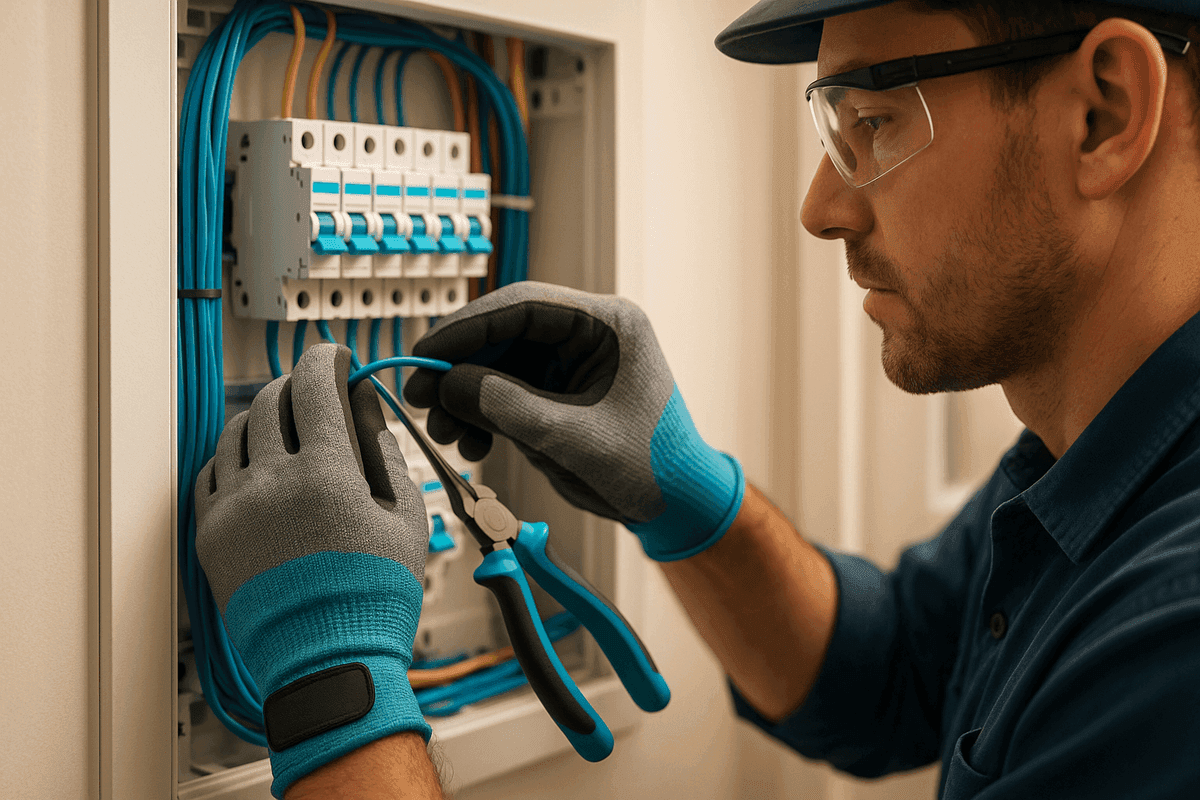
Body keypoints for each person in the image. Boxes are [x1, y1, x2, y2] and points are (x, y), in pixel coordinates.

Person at [196, 0, 1200, 797]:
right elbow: (891, 674)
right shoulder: (1092, 453)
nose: (821, 207)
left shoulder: (1176, 633)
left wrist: (336, 686)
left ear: (1102, 113)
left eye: (874, 121)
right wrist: (687, 495)